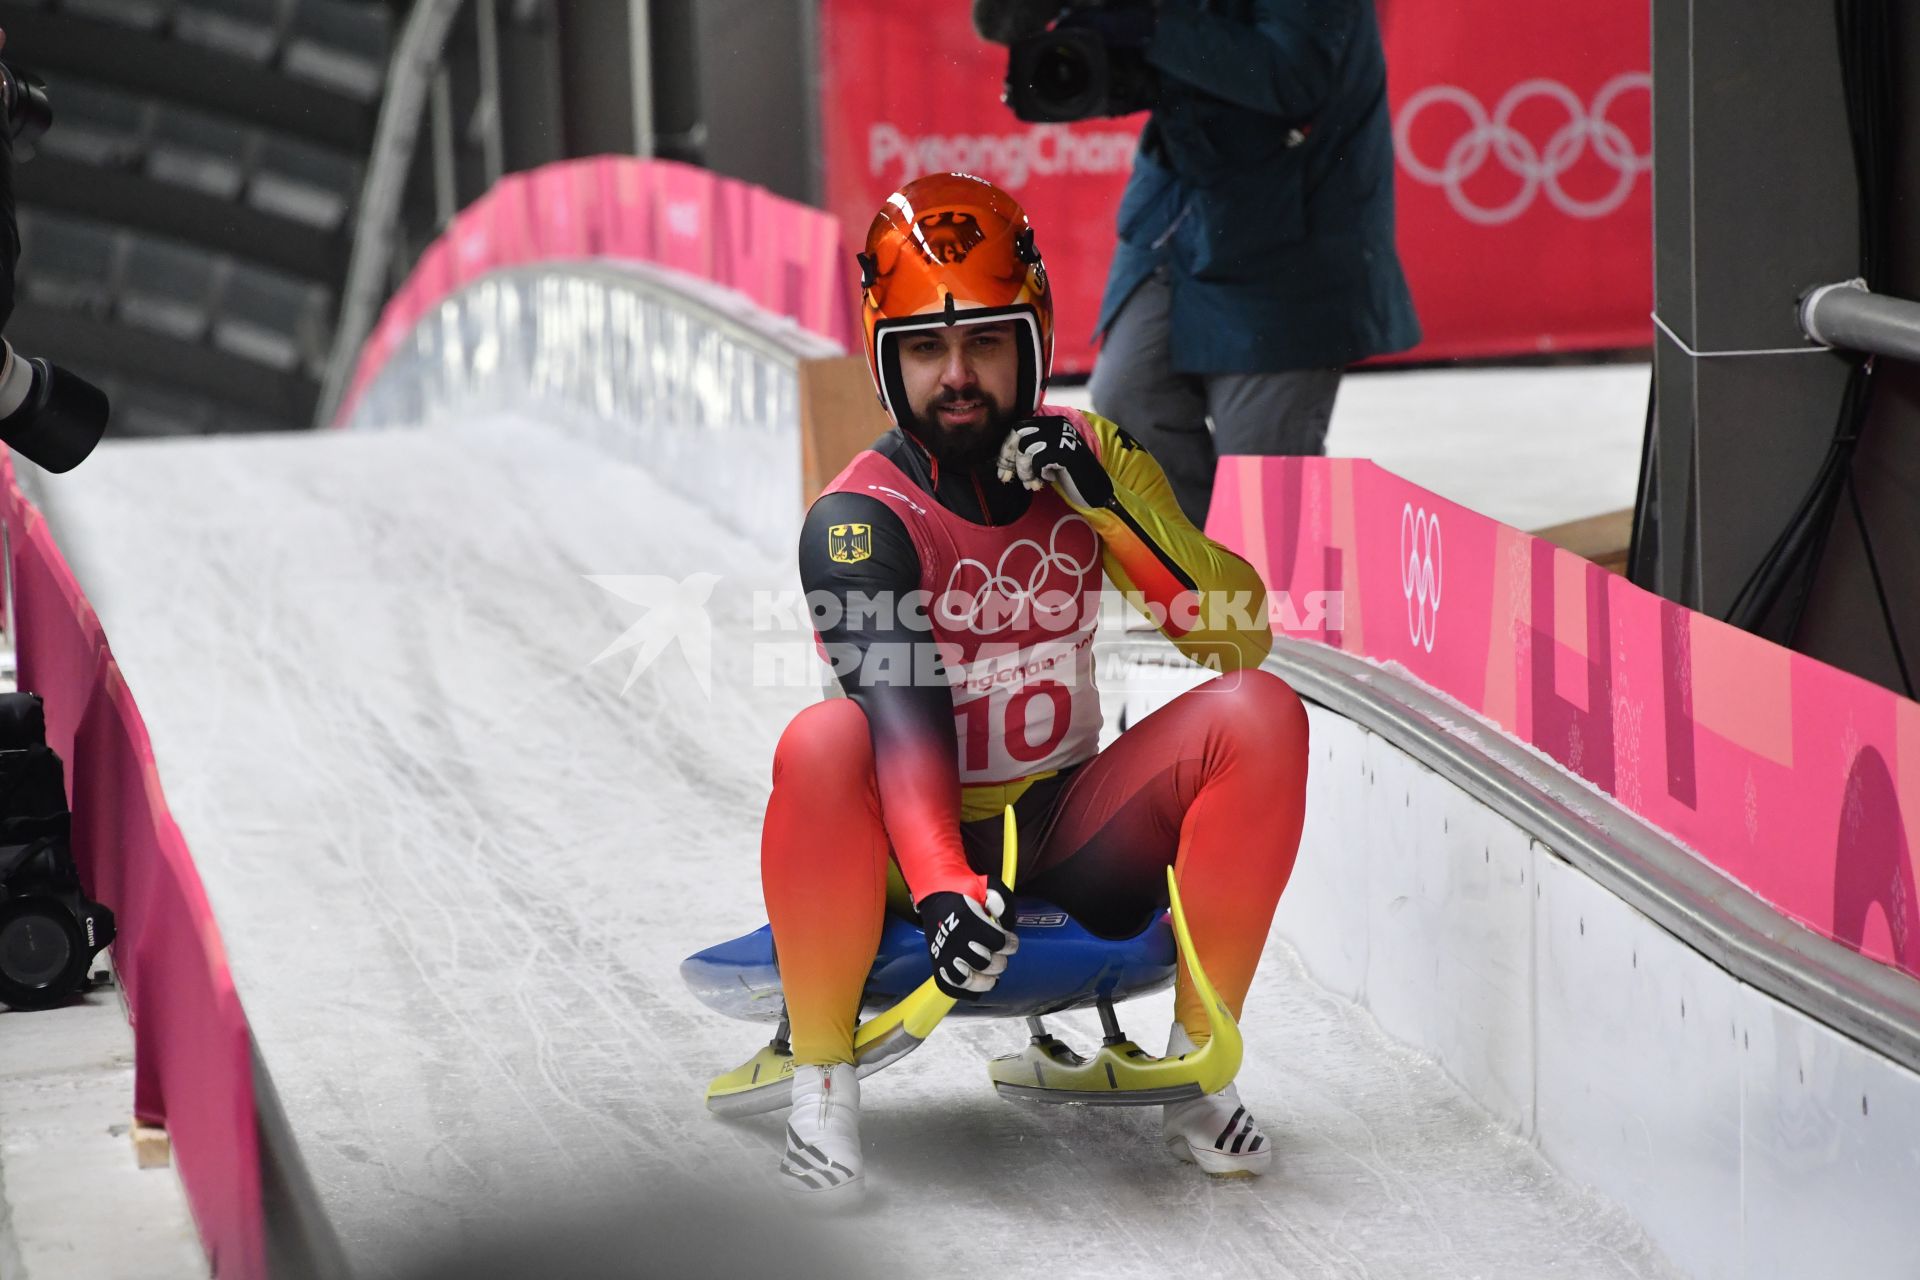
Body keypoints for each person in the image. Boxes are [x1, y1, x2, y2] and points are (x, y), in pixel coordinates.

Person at [759, 172, 1311, 1202]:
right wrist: (938, 881)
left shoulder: (1094, 455)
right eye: (926, 348)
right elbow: (901, 714)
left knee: (1262, 716)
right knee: (822, 740)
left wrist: (1110, 513)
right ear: (887, 359)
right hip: (896, 850)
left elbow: (1239, 637)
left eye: (986, 344)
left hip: (1065, 824)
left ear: (1035, 340)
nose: (959, 375)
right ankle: (821, 1076)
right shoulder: (856, 519)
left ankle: (1198, 1063)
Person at [1073, 0, 1422, 526]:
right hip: (1178, 209)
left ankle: (1261, 592)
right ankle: (1208, 588)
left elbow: (1288, 74)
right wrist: (1088, 38)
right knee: (1130, 395)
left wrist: (1152, 26)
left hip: (1293, 231)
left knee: (1262, 477)